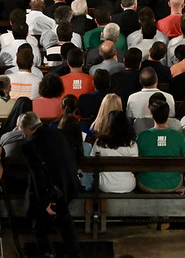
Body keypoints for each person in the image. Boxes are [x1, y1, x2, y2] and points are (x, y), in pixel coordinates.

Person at [20, 111, 82, 258]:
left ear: (26, 128)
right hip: (67, 186)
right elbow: (76, 153)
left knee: (39, 225)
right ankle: (75, 254)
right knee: (65, 224)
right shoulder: (59, 134)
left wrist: (46, 202)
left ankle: (47, 254)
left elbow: (38, 177)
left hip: (51, 191)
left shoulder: (29, 146)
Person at [136, 98, 185, 192]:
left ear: (152, 116)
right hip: (173, 184)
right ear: (168, 115)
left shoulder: (142, 136)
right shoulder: (178, 136)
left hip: (147, 184)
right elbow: (184, 157)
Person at [91, 110, 138, 193]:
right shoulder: (131, 143)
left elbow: (92, 161)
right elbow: (135, 166)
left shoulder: (100, 142)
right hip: (127, 184)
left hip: (104, 184)